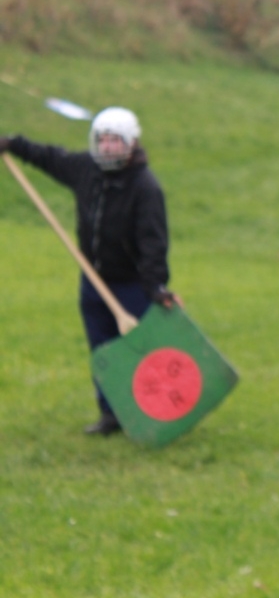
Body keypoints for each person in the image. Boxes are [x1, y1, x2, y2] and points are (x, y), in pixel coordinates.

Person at [1, 108, 178, 436]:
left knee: (139, 354)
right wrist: (13, 144)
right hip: (93, 280)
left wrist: (156, 287)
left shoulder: (145, 187)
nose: (107, 147)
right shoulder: (86, 168)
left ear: (131, 143)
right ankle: (110, 415)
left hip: (131, 286)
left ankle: (155, 413)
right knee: (102, 351)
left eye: (115, 140)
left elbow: (153, 242)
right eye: (103, 140)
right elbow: (50, 157)